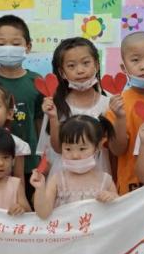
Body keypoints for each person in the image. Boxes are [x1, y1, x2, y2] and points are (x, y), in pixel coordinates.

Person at [0, 15, 43, 176]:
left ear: (28, 46)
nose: (8, 48)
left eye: (16, 43)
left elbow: (39, 123)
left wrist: (41, 156)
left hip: (29, 162)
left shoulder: (37, 81)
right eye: (1, 44)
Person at [40, 38, 118, 175]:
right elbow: (56, 149)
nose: (80, 70)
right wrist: (53, 118)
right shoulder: (56, 106)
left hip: (99, 177)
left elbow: (117, 149)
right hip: (64, 178)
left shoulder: (110, 103)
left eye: (86, 63)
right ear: (62, 72)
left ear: (96, 65)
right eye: (71, 66)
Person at [104, 31, 144, 194]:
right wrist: (120, 117)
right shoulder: (118, 104)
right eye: (135, 60)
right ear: (124, 67)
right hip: (131, 187)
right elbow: (117, 150)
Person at [31, 115, 117, 218]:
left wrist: (113, 198)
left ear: (97, 146)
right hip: (65, 228)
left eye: (82, 149)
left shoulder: (106, 180)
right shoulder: (57, 180)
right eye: (68, 149)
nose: (75, 155)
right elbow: (43, 214)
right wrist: (39, 189)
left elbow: (118, 212)